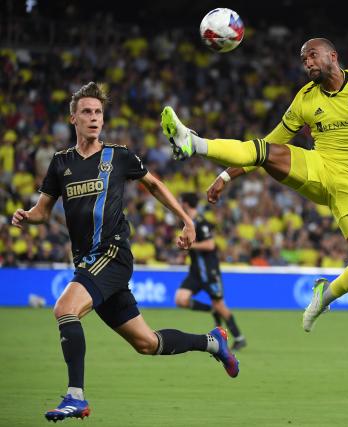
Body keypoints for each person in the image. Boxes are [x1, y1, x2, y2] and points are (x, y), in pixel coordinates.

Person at [160, 38, 348, 332]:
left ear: (333, 55)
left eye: (313, 56)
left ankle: (323, 296)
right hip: (320, 167)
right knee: (267, 152)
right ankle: (194, 142)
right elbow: (270, 142)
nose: (308, 63)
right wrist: (226, 176)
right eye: (304, 59)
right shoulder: (305, 98)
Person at [12, 82, 239, 423]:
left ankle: (75, 396)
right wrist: (28, 216)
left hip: (113, 254)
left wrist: (186, 220)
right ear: (73, 118)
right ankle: (213, 341)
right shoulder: (61, 163)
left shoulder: (118, 156)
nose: (93, 118)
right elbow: (43, 210)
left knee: (65, 308)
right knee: (147, 343)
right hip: (88, 262)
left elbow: (155, 185)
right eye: (86, 112)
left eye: (98, 112)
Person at [175, 192, 247, 350]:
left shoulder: (201, 222)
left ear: (186, 204)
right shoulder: (188, 224)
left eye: (181, 202)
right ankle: (211, 309)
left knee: (221, 305)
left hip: (209, 272)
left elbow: (210, 245)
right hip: (196, 272)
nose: (180, 204)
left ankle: (239, 338)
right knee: (180, 299)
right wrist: (183, 251)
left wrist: (190, 246)